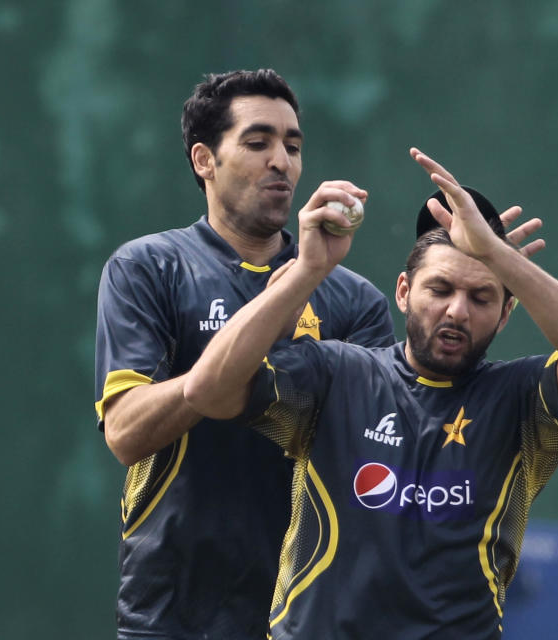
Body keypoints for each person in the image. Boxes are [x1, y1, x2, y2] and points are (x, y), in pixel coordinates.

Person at [183, 147, 558, 639]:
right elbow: (207, 390)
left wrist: (496, 255)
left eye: (481, 297)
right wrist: (308, 270)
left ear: (505, 315)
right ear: (403, 292)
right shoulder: (336, 372)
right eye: (440, 290)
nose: (458, 310)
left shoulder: (520, 398)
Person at [93, 69, 399, 640]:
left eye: (293, 145)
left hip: (310, 615)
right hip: (173, 611)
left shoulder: (356, 301)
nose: (281, 161)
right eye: (258, 143)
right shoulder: (147, 268)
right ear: (204, 160)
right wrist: (300, 278)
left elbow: (376, 458)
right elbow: (127, 433)